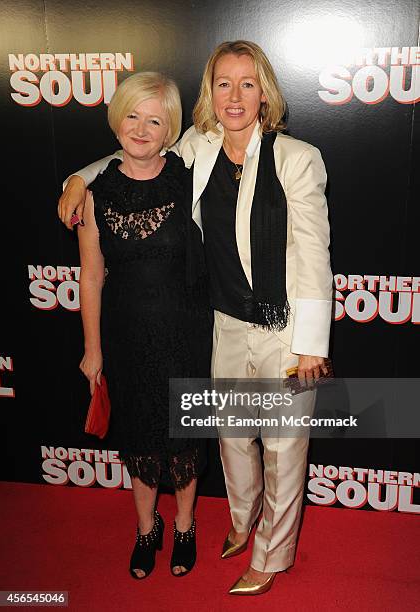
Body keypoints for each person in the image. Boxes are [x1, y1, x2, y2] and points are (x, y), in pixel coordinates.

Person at [59, 40, 332, 595]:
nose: (234, 96)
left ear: (265, 93)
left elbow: (314, 256)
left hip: (284, 329)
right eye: (223, 84)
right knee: (233, 442)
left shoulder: (298, 158)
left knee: (282, 449)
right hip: (224, 324)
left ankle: (270, 557)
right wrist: (78, 178)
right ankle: (241, 519)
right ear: (210, 92)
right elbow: (136, 151)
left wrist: (312, 346)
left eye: (247, 84)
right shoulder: (199, 147)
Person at [73, 71, 212, 580]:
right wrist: (93, 350)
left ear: (171, 127)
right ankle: (145, 528)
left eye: (155, 119)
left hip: (186, 334)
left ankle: (184, 526)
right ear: (116, 120)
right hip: (128, 336)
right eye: (132, 115)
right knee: (139, 438)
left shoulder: (188, 175)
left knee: (184, 438)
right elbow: (90, 277)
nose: (140, 127)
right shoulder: (94, 193)